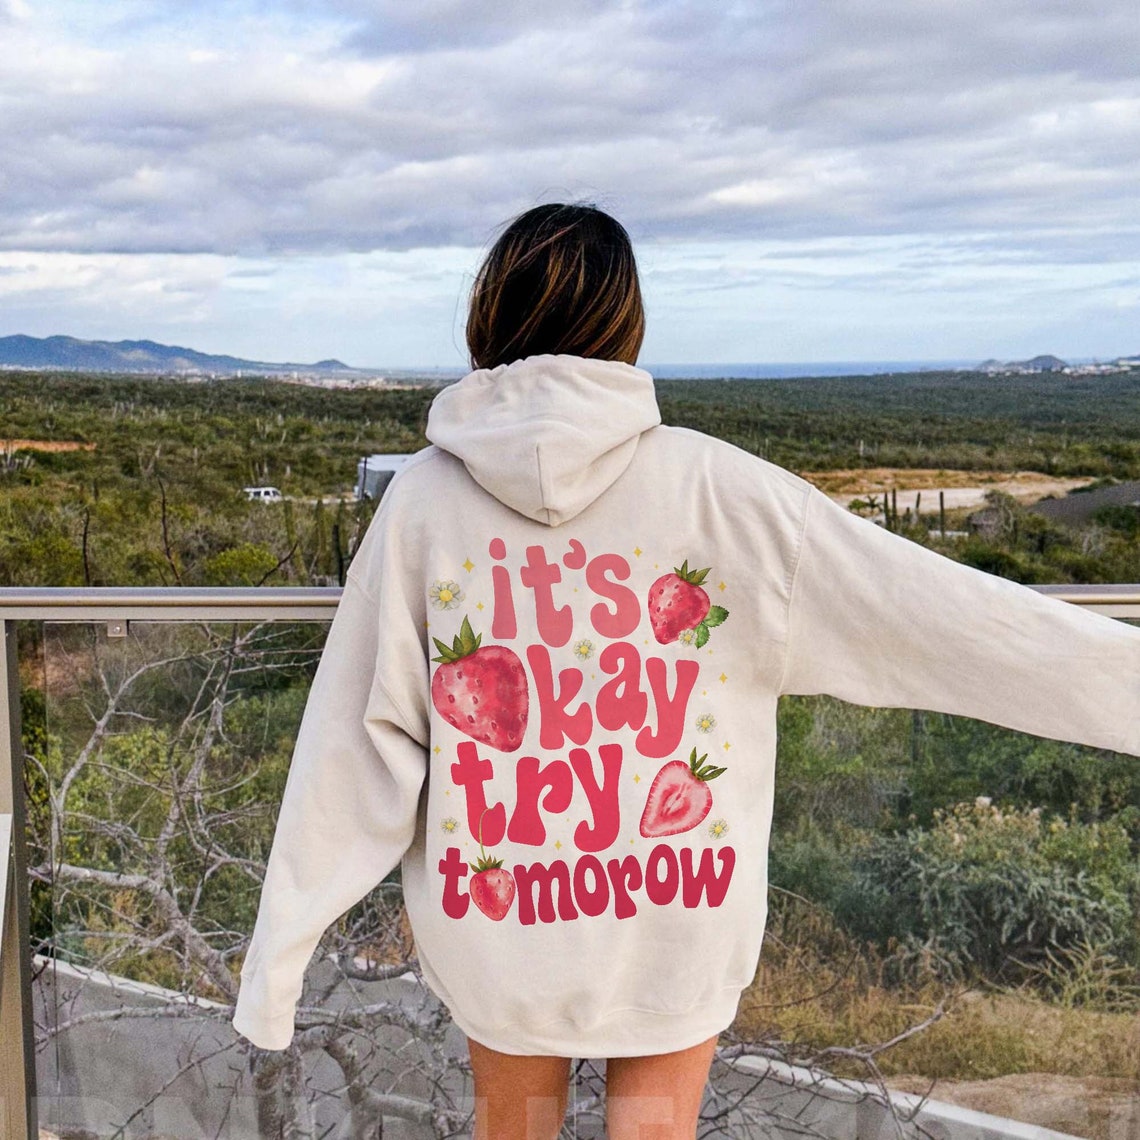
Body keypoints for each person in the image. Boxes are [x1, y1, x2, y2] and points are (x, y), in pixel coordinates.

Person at [232, 202, 1140, 1139]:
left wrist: (276, 967)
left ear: (486, 319)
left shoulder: (422, 505)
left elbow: (354, 744)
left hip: (500, 927)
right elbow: (944, 620)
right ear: (626, 329)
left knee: (516, 1129)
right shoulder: (726, 492)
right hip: (677, 917)